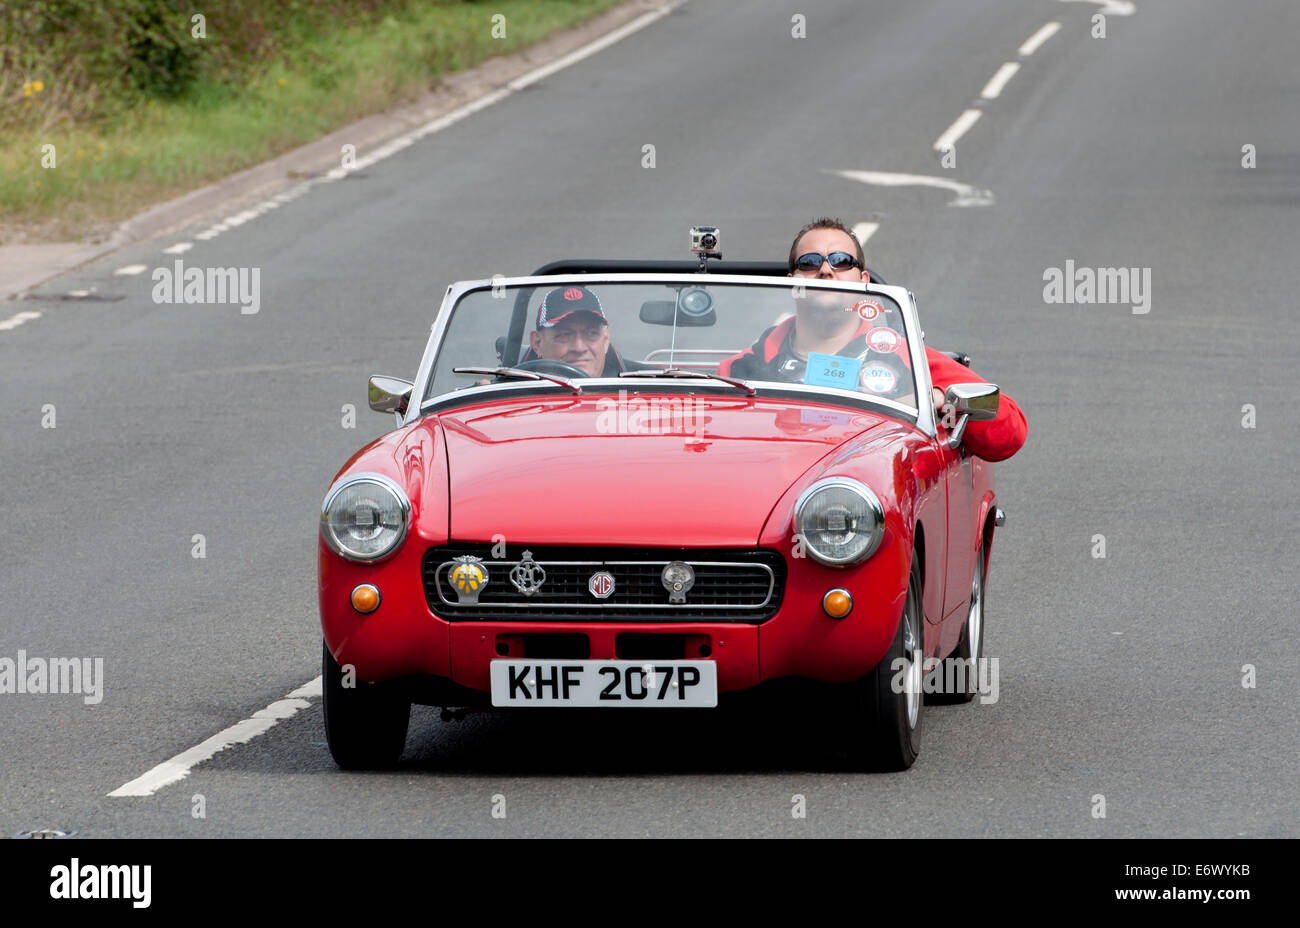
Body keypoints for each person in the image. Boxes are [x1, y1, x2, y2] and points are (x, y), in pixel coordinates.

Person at [718, 218, 1027, 462]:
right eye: (809, 263)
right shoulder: (747, 367)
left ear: (863, 281)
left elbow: (1009, 433)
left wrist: (940, 400)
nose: (825, 270)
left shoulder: (903, 356)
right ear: (792, 283)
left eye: (841, 261)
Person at [518, 285, 647, 377]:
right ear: (537, 343)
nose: (579, 348)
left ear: (606, 340)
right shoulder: (512, 394)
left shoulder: (640, 393)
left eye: (591, 333)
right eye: (564, 335)